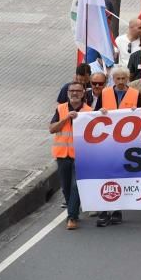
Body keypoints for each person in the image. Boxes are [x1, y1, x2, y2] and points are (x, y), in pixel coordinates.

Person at [50, 80, 88, 230]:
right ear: (67, 93)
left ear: (83, 93)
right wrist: (66, 118)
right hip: (62, 155)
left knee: (75, 186)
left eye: (78, 91)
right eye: (72, 91)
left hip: (80, 156)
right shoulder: (61, 109)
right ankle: (74, 208)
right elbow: (52, 128)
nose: (74, 93)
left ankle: (71, 217)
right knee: (65, 187)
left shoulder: (88, 111)